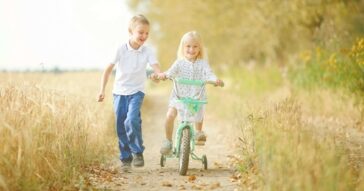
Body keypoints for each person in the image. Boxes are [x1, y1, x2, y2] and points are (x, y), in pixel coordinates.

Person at [98, 14, 162, 170]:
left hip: (137, 91)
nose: (144, 36)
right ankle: (126, 158)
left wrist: (158, 75)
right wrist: (102, 90)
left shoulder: (147, 51)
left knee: (131, 119)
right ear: (130, 31)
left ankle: (137, 152)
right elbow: (107, 70)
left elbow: (156, 68)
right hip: (119, 92)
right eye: (141, 32)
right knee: (120, 125)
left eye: (147, 33)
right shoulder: (120, 49)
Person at [155, 31, 224, 155]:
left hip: (195, 97)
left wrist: (215, 80)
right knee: (170, 115)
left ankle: (198, 132)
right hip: (179, 97)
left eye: (195, 46)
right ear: (183, 47)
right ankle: (168, 141)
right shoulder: (179, 63)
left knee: (198, 111)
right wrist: (163, 75)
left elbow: (209, 73)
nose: (191, 49)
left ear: (200, 48)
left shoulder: (202, 63)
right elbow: (170, 72)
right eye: (188, 46)